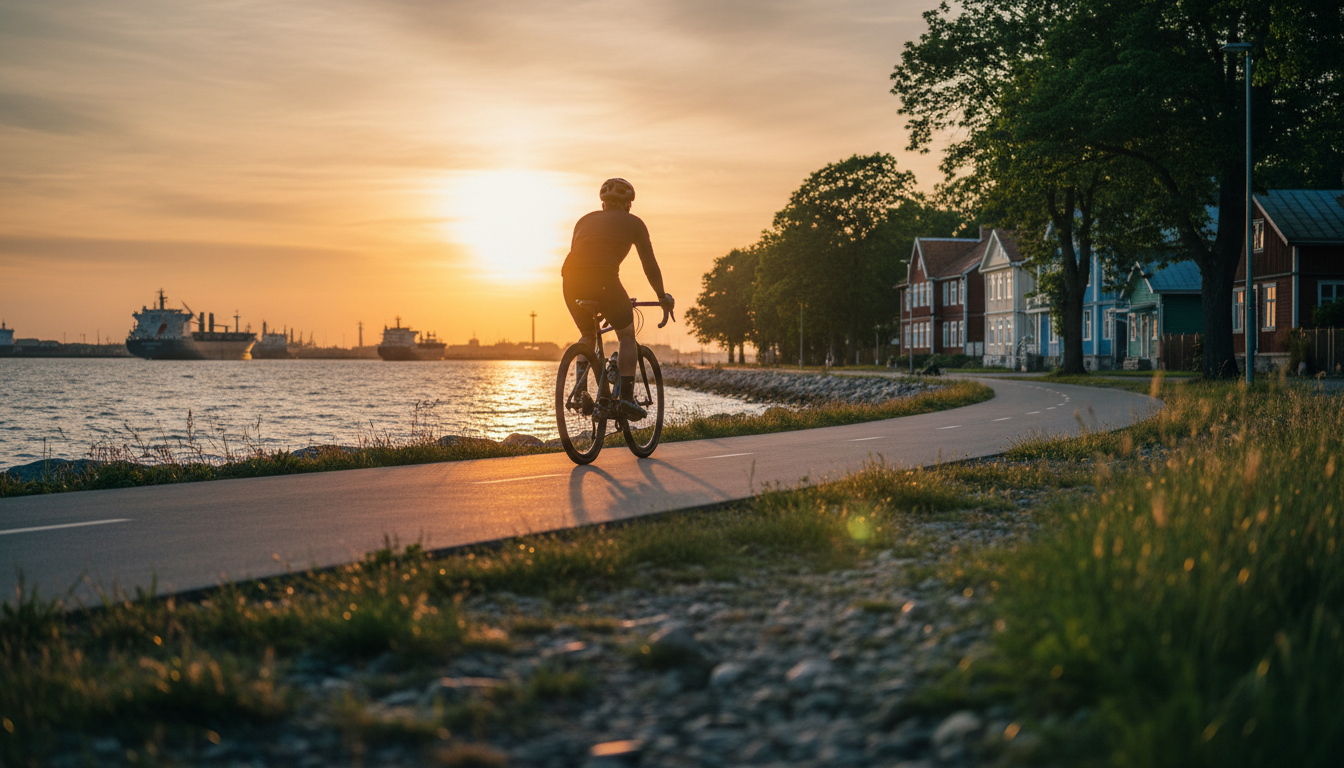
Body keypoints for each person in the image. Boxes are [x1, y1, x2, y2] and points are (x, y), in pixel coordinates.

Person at [562, 178, 674, 420]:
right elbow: (650, 265)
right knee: (626, 336)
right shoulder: (634, 223)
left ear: (603, 204)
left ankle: (581, 392)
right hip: (604, 280)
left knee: (588, 334)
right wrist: (661, 296)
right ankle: (624, 397)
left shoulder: (584, 221)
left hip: (570, 280)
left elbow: (582, 258)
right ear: (627, 204)